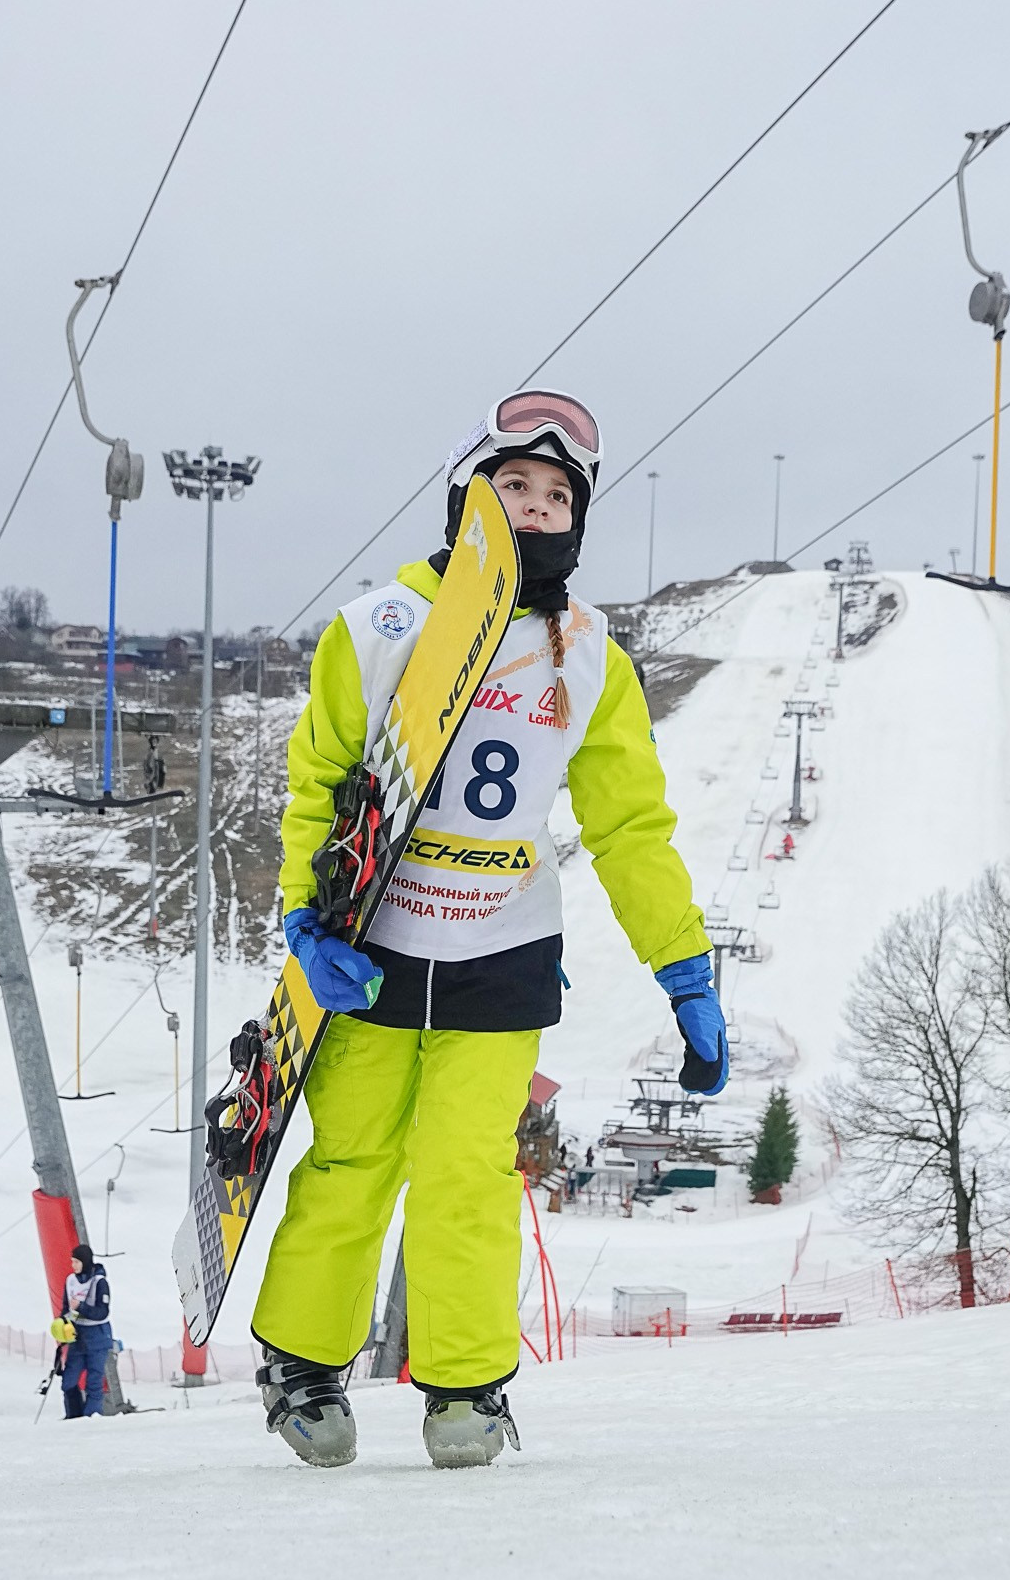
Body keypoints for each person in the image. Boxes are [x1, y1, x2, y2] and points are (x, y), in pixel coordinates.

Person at [251, 390, 727, 1470]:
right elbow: (317, 782)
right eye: (513, 484)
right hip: (371, 945)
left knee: (467, 1171)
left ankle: (467, 1388)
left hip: (502, 949)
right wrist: (302, 918)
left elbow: (629, 826)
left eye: (558, 496)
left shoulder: (591, 657)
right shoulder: (378, 626)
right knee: (353, 1161)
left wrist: (684, 967)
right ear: (469, 496)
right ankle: (302, 1363)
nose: (535, 506)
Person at [57, 1243, 114, 1420]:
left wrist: (81, 1307)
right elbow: (67, 1308)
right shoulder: (70, 1281)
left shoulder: (100, 1282)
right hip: (78, 1336)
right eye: (72, 1261)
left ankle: (91, 1417)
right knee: (69, 1381)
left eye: (76, 1262)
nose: (73, 1265)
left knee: (94, 1382)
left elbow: (102, 1312)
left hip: (98, 1336)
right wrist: (61, 1325)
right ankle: (73, 1416)